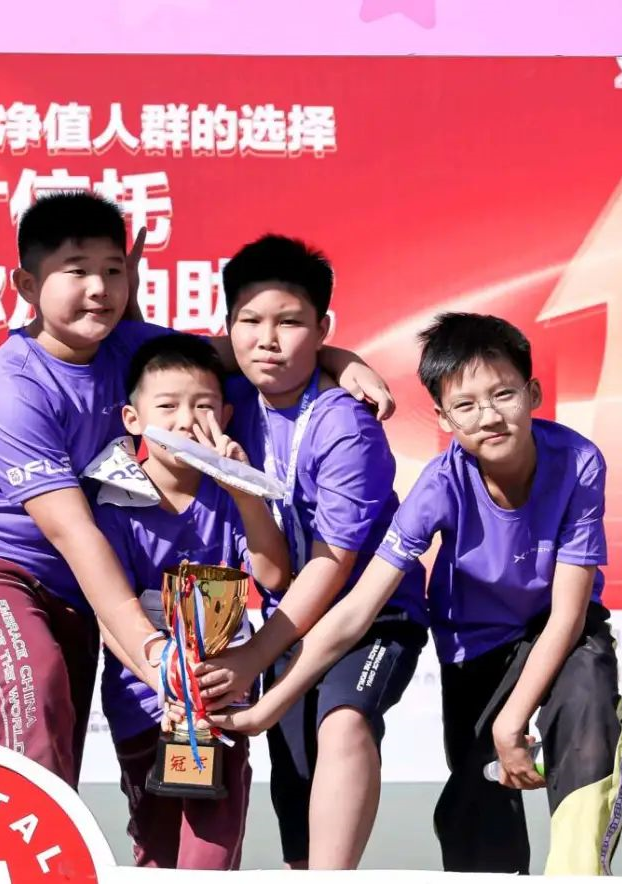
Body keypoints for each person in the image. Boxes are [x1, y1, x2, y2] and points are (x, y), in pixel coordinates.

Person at [0, 191, 395, 787]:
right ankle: (15, 843)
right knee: (33, 692)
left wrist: (344, 361)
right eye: (77, 271)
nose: (99, 289)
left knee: (57, 733)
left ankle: (54, 840)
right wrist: (154, 652)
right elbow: (74, 531)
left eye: (113, 271)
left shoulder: (132, 348)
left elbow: (254, 352)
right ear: (27, 285)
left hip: (74, 583)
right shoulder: (12, 388)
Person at [212, 312, 622, 876]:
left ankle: (579, 873)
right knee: (477, 807)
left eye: (503, 394)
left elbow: (567, 614)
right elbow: (356, 610)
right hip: (475, 646)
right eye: (466, 405)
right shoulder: (439, 484)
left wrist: (512, 720)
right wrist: (269, 705)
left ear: (532, 394)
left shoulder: (579, 462)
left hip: (559, 628)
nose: (489, 416)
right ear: (443, 418)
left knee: (587, 706)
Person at [194, 235, 430, 870]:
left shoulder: (347, 425)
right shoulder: (224, 396)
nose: (268, 340)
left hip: (371, 615)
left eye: (291, 323)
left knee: (345, 719)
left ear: (323, 328)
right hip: (283, 614)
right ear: (228, 327)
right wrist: (340, 356)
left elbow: (331, 566)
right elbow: (152, 362)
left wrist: (253, 656)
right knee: (296, 782)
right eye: (250, 321)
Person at [95, 333, 289, 870]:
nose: (185, 422)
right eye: (167, 407)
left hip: (222, 702)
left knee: (211, 855)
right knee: (156, 853)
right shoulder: (111, 504)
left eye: (203, 407)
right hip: (143, 704)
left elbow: (275, 576)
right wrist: (164, 678)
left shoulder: (231, 497)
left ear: (225, 417)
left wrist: (244, 490)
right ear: (133, 419)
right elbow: (109, 613)